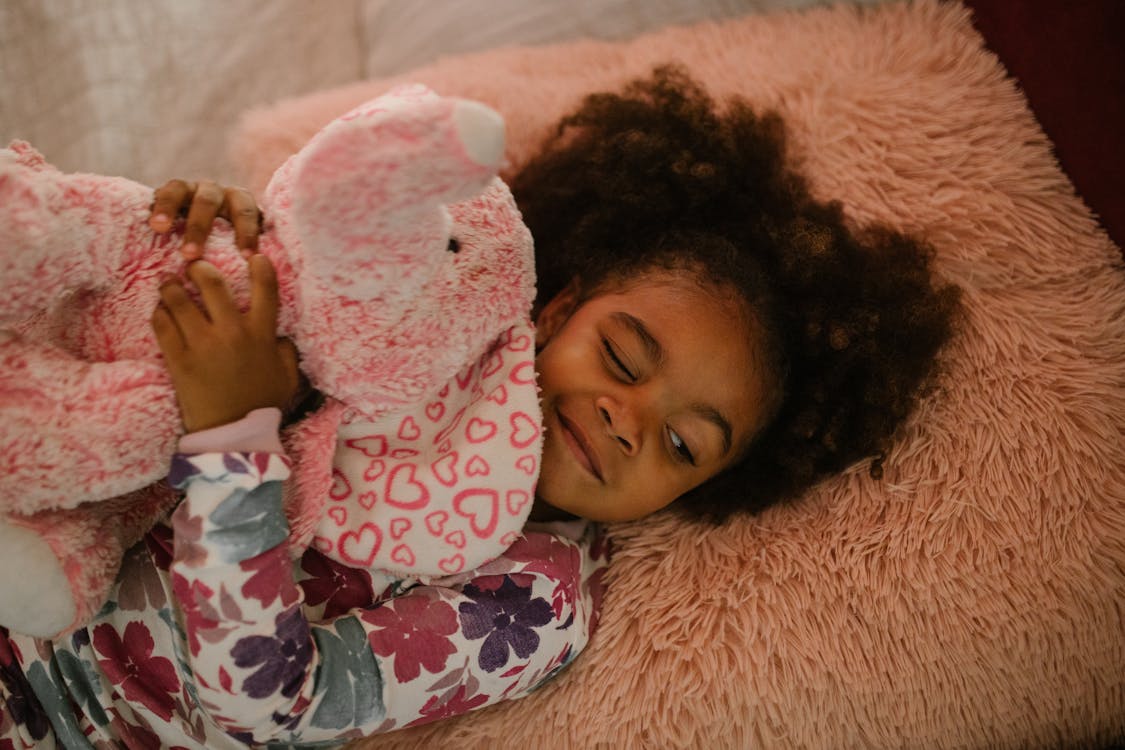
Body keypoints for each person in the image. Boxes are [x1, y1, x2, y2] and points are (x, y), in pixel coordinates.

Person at [0, 67, 959, 747]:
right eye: (623, 354)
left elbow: (268, 707)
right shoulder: (410, 318)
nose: (628, 416)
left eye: (679, 441)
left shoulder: (536, 598)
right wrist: (199, 249)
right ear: (555, 307)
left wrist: (233, 441)